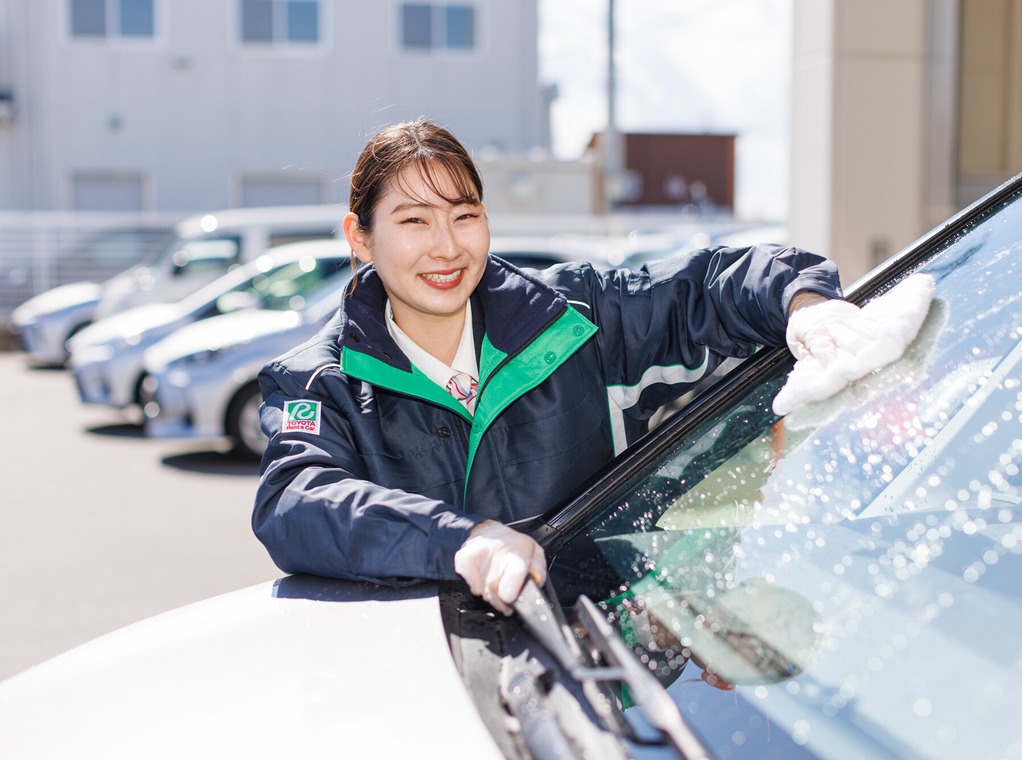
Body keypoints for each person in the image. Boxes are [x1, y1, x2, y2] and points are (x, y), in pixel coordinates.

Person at [251, 117, 908, 614]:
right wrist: (462, 541)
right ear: (360, 237)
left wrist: (808, 305)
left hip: (609, 667)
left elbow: (712, 285)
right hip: (445, 685)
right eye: (414, 220)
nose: (446, 246)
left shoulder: (573, 319)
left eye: (465, 215)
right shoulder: (318, 382)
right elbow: (296, 501)